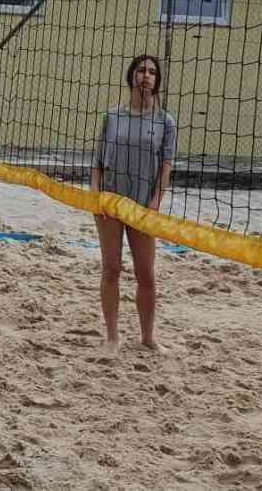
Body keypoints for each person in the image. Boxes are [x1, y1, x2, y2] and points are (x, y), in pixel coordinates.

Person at [88, 54, 176, 351]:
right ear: (131, 77)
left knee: (146, 274)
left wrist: (155, 203)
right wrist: (96, 196)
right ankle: (112, 337)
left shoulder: (165, 121)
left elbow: (166, 167)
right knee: (111, 268)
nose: (146, 75)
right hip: (110, 202)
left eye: (152, 72)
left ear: (157, 80)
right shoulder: (113, 117)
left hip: (142, 208)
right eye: (141, 70)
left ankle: (148, 338)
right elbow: (98, 163)